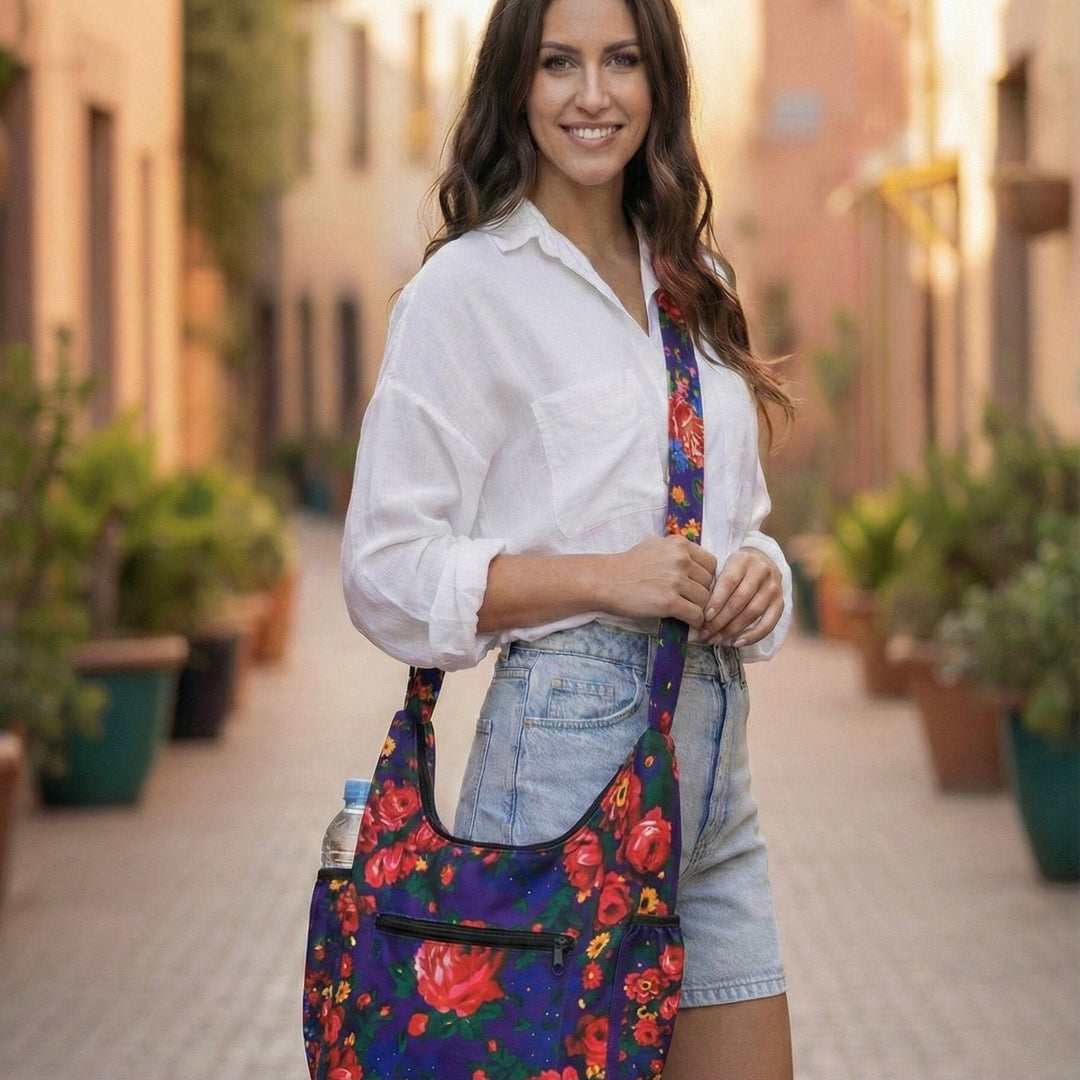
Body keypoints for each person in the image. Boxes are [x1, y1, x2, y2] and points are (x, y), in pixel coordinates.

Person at [341, 0, 796, 1076]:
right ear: (516, 83)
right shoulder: (468, 289)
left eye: (621, 61)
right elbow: (383, 569)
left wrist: (760, 574)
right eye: (559, 63)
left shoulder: (695, 280)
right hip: (558, 775)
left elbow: (741, 519)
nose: (593, 95)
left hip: (712, 781)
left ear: (659, 81)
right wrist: (607, 578)